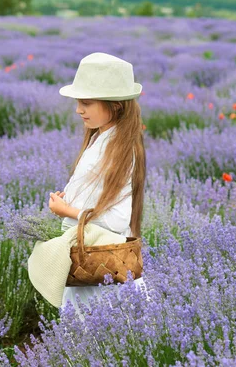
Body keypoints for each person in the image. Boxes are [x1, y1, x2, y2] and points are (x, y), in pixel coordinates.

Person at [47, 52, 150, 320]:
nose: (78, 109)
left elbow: (116, 220)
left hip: (103, 270)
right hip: (92, 265)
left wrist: (68, 211)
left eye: (86, 103)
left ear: (115, 106)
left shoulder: (117, 150)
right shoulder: (102, 139)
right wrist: (68, 200)